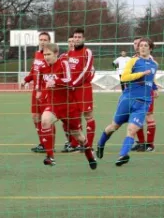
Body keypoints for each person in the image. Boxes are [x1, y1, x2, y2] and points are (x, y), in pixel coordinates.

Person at [97, 38, 159, 166]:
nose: (142, 47)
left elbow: (150, 79)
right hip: (128, 99)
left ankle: (123, 155)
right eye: (140, 45)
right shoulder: (133, 61)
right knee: (114, 126)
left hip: (143, 103)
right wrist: (141, 73)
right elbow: (124, 77)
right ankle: (100, 144)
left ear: (150, 48)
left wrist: (155, 88)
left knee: (132, 130)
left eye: (145, 45)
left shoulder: (155, 65)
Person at [35, 43, 97, 169]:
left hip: (69, 106)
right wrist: (40, 91)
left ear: (56, 54)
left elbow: (70, 80)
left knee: (78, 136)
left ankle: (89, 154)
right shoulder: (42, 67)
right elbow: (40, 82)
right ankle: (50, 157)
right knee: (45, 121)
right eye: (45, 54)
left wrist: (56, 81)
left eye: (49, 54)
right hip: (53, 105)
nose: (46, 57)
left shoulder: (63, 64)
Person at [66, 28, 96, 151]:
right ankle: (77, 144)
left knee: (88, 116)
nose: (76, 39)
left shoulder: (87, 52)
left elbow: (87, 70)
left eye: (79, 37)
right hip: (71, 89)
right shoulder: (69, 53)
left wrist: (74, 83)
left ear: (83, 39)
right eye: (75, 37)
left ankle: (89, 145)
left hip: (83, 89)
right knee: (74, 117)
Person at [21, 32, 51, 153]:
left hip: (45, 91)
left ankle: (49, 144)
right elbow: (34, 71)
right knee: (35, 117)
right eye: (41, 39)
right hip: (35, 91)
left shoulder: (50, 56)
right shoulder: (37, 54)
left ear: (49, 41)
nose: (42, 41)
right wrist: (26, 80)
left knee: (46, 119)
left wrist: (43, 89)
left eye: (45, 39)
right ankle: (43, 143)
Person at [131, 37, 158, 152]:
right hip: (135, 92)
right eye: (136, 44)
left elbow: (151, 76)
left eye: (140, 44)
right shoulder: (133, 59)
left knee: (148, 115)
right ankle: (141, 143)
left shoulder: (150, 60)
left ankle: (150, 144)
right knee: (137, 116)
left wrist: (155, 87)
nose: (137, 46)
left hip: (146, 91)